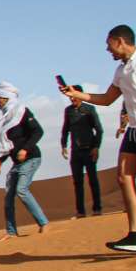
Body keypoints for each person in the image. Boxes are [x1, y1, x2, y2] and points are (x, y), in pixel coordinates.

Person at [60, 24, 136, 258]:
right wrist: (76, 94)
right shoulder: (121, 70)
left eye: (109, 44)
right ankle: (135, 236)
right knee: (124, 176)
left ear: (120, 41)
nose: (107, 49)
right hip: (135, 128)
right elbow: (106, 99)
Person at [0, 81, 49, 241]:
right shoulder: (6, 118)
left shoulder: (22, 111)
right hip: (17, 163)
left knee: (21, 190)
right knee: (8, 196)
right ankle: (11, 232)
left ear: (6, 98)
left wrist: (25, 149)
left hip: (31, 158)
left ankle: (43, 223)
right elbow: (7, 144)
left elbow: (38, 131)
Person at [61, 85, 103, 218]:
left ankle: (97, 208)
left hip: (89, 150)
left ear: (80, 95)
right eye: (70, 97)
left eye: (74, 95)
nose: (72, 98)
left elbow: (99, 129)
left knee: (92, 180)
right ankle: (80, 211)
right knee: (77, 182)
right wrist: (63, 145)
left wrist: (96, 147)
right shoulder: (68, 111)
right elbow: (65, 129)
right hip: (76, 152)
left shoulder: (89, 109)